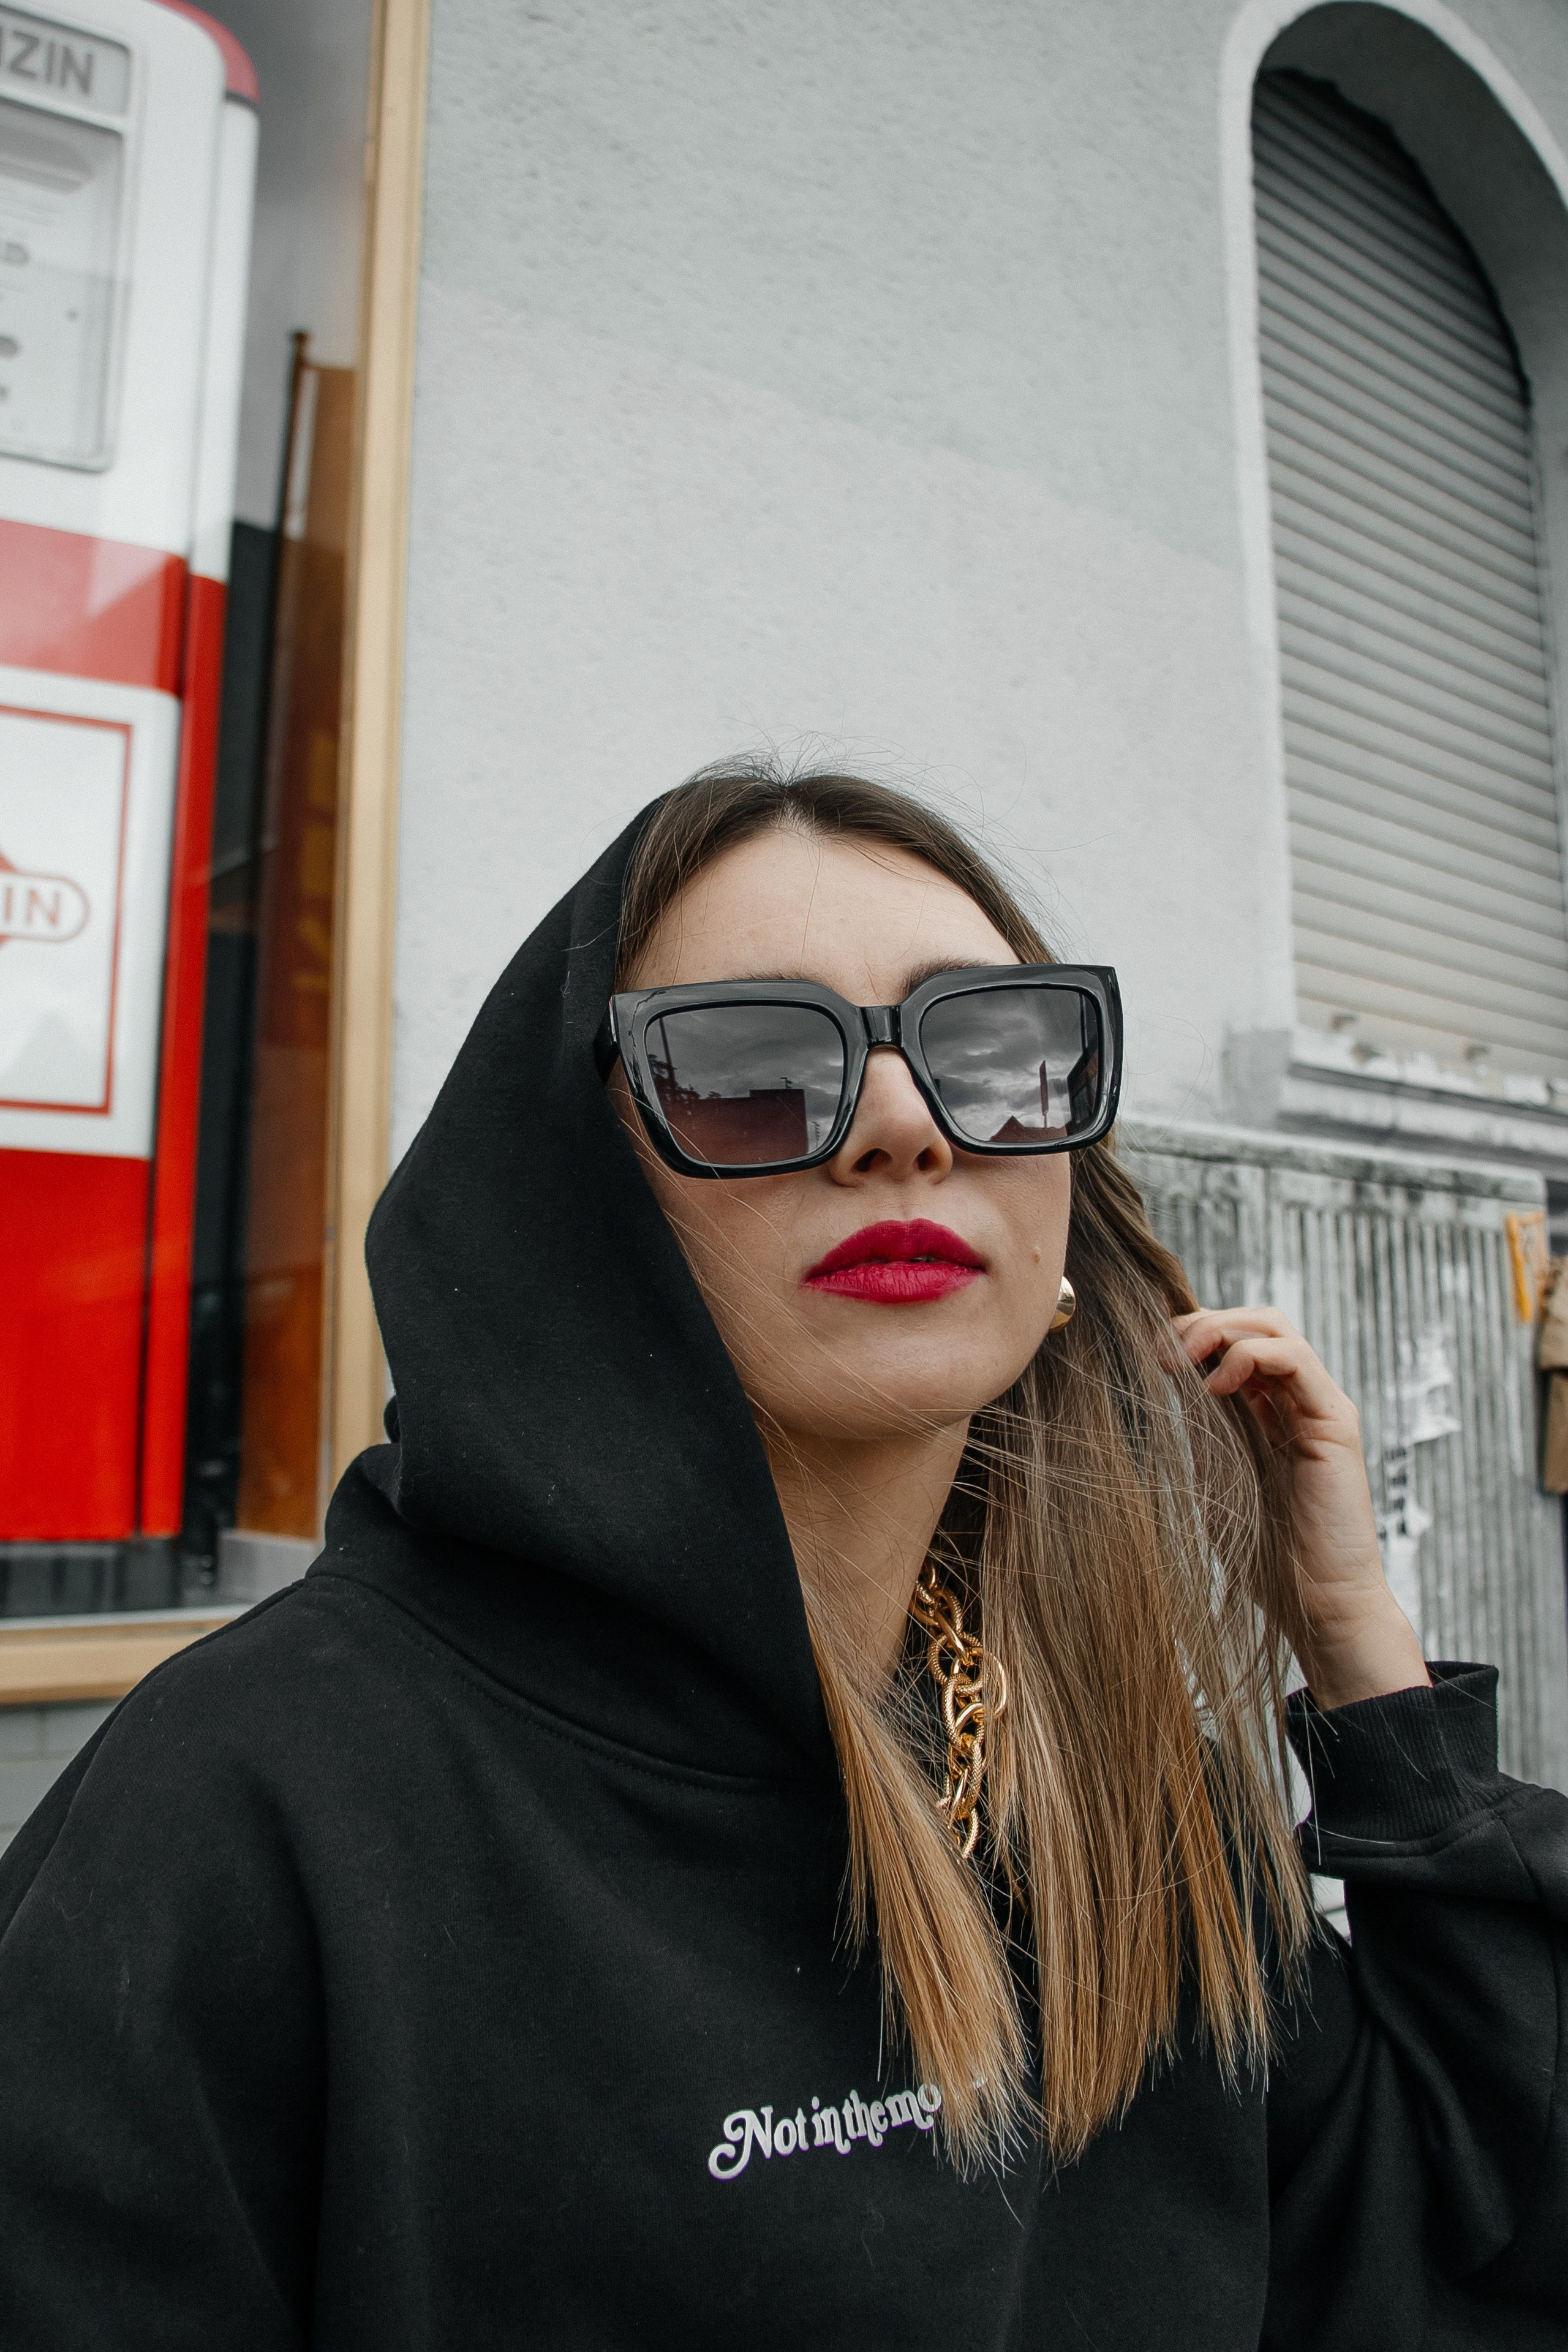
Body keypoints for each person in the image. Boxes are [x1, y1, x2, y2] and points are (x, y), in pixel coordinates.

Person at [1, 763, 1564, 2350]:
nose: (900, 1124)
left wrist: (1363, 1657)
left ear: (1061, 1224)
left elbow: (1461, 2241)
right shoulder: (257, 1797)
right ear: (582, 1203)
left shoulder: (1120, 1792)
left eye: (998, 1053)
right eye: (749, 1069)